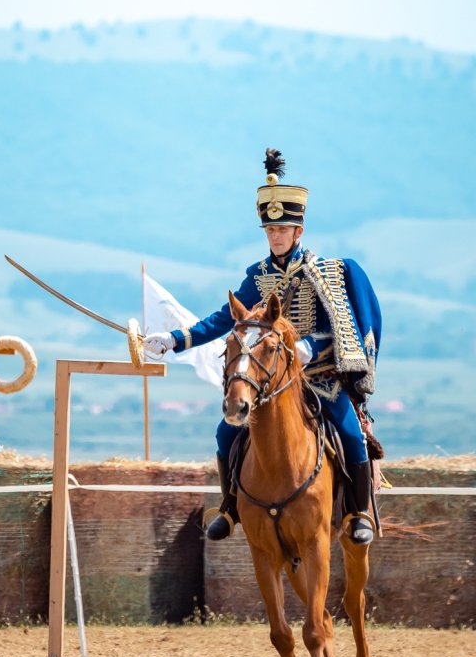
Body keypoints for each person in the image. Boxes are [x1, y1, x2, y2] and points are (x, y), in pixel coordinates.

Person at [144, 148, 383, 545]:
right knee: (226, 432)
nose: (275, 236)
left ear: (298, 232)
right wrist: (174, 339)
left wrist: (309, 347)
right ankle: (229, 508)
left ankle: (359, 514)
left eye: (282, 230)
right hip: (271, 382)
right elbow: (226, 318)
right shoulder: (257, 276)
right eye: (270, 230)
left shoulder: (323, 273)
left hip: (318, 378)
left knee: (350, 433)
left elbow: (343, 331)